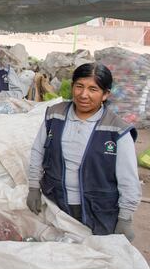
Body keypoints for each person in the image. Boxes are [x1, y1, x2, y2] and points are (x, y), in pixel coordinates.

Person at [26, 63, 140, 240]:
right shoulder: (54, 115)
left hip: (97, 211)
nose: (84, 94)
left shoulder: (116, 130)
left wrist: (125, 217)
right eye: (79, 86)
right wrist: (34, 186)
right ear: (72, 87)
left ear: (105, 94)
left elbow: (128, 178)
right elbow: (37, 152)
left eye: (93, 89)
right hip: (56, 204)